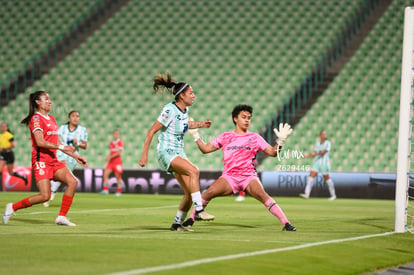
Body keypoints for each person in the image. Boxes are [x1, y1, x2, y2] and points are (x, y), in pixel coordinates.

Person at [183, 104, 296, 231]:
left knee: (262, 194)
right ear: (235, 119)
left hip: (248, 177)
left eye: (249, 117)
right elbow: (205, 149)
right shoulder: (225, 136)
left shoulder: (255, 137)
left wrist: (280, 142)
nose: (247, 120)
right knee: (209, 192)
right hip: (229, 177)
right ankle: (191, 219)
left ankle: (286, 223)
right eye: (244, 117)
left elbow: (273, 153)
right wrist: (195, 136)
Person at [139, 72, 215, 231]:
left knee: (189, 192)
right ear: (181, 96)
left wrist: (202, 124)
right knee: (194, 171)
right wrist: (144, 154)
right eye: (191, 93)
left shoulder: (184, 111)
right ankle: (199, 210)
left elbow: (186, 125)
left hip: (178, 152)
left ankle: (176, 224)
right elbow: (151, 131)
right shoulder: (169, 110)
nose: (194, 96)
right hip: (166, 152)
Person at [2, 91, 87, 226]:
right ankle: (12, 207)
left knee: (73, 182)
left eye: (49, 99)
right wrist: (61, 148)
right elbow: (40, 142)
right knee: (45, 196)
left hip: (53, 160)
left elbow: (59, 143)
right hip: (41, 161)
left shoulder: (52, 119)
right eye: (46, 99)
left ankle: (61, 217)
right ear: (38, 102)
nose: (50, 101)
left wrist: (76, 156)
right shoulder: (36, 119)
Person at [43, 110, 88, 207]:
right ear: (69, 118)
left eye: (77, 116)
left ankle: (52, 191)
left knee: (62, 177)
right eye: (73, 116)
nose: (76, 118)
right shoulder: (62, 128)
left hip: (73, 156)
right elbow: (56, 139)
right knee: (62, 167)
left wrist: (78, 144)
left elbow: (85, 145)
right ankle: (49, 192)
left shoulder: (82, 130)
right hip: (61, 153)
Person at [299, 130, 336, 200]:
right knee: (311, 177)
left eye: (325, 134)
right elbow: (314, 152)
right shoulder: (317, 143)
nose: (324, 136)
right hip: (317, 162)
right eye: (323, 134)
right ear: (320, 136)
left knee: (327, 178)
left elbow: (323, 152)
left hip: (324, 163)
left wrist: (315, 153)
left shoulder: (328, 143)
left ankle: (333, 195)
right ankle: (306, 194)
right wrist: (306, 156)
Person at [100, 129, 124, 196]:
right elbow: (111, 152)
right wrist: (107, 158)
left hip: (117, 162)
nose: (116, 135)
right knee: (105, 174)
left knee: (118, 177)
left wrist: (109, 157)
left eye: (117, 134)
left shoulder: (120, 142)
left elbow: (118, 153)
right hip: (111, 162)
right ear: (113, 135)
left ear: (119, 135)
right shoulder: (111, 143)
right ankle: (105, 190)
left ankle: (119, 191)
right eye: (115, 134)